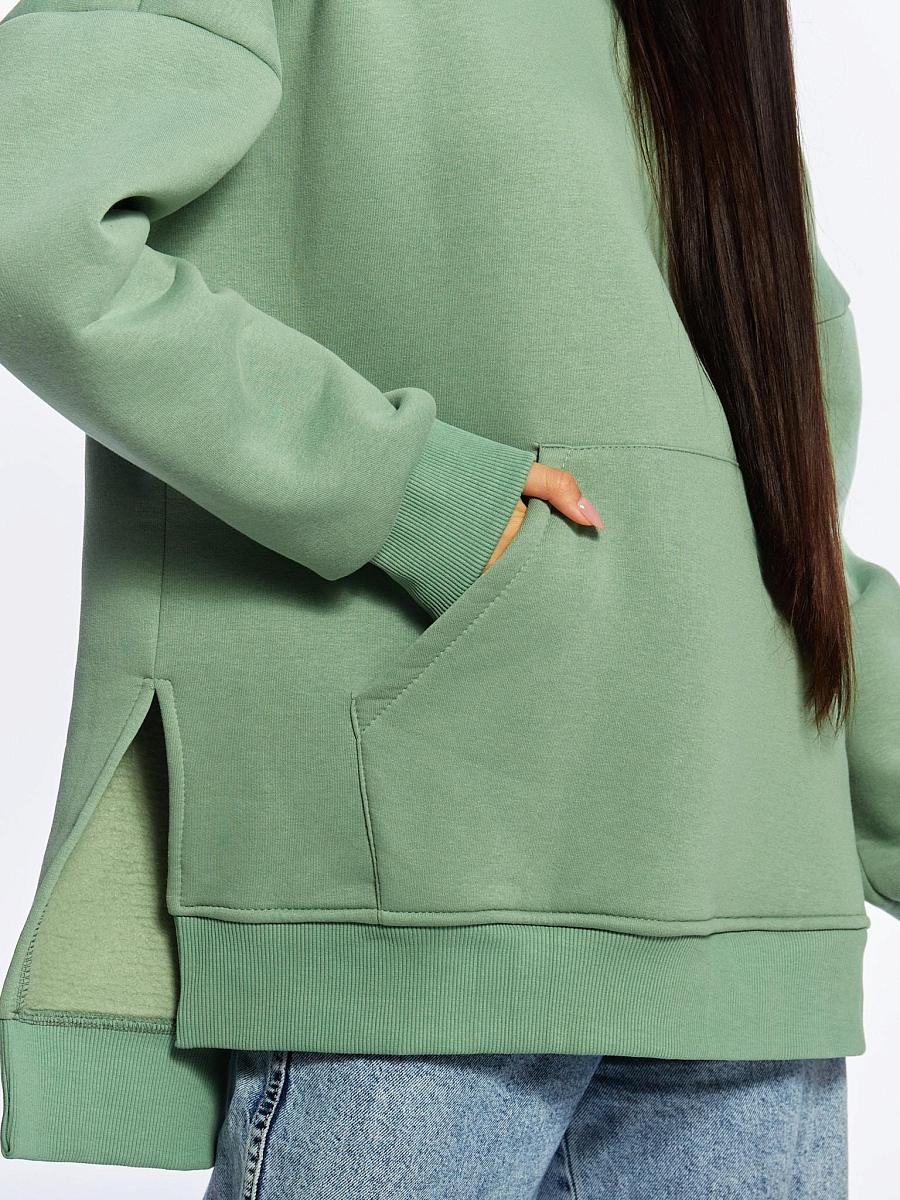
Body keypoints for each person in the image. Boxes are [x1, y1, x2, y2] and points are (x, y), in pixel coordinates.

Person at [0, 0, 896, 1195]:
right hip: (433, 894)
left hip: (754, 942)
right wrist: (414, 493)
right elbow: (26, 216)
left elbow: (769, 537)